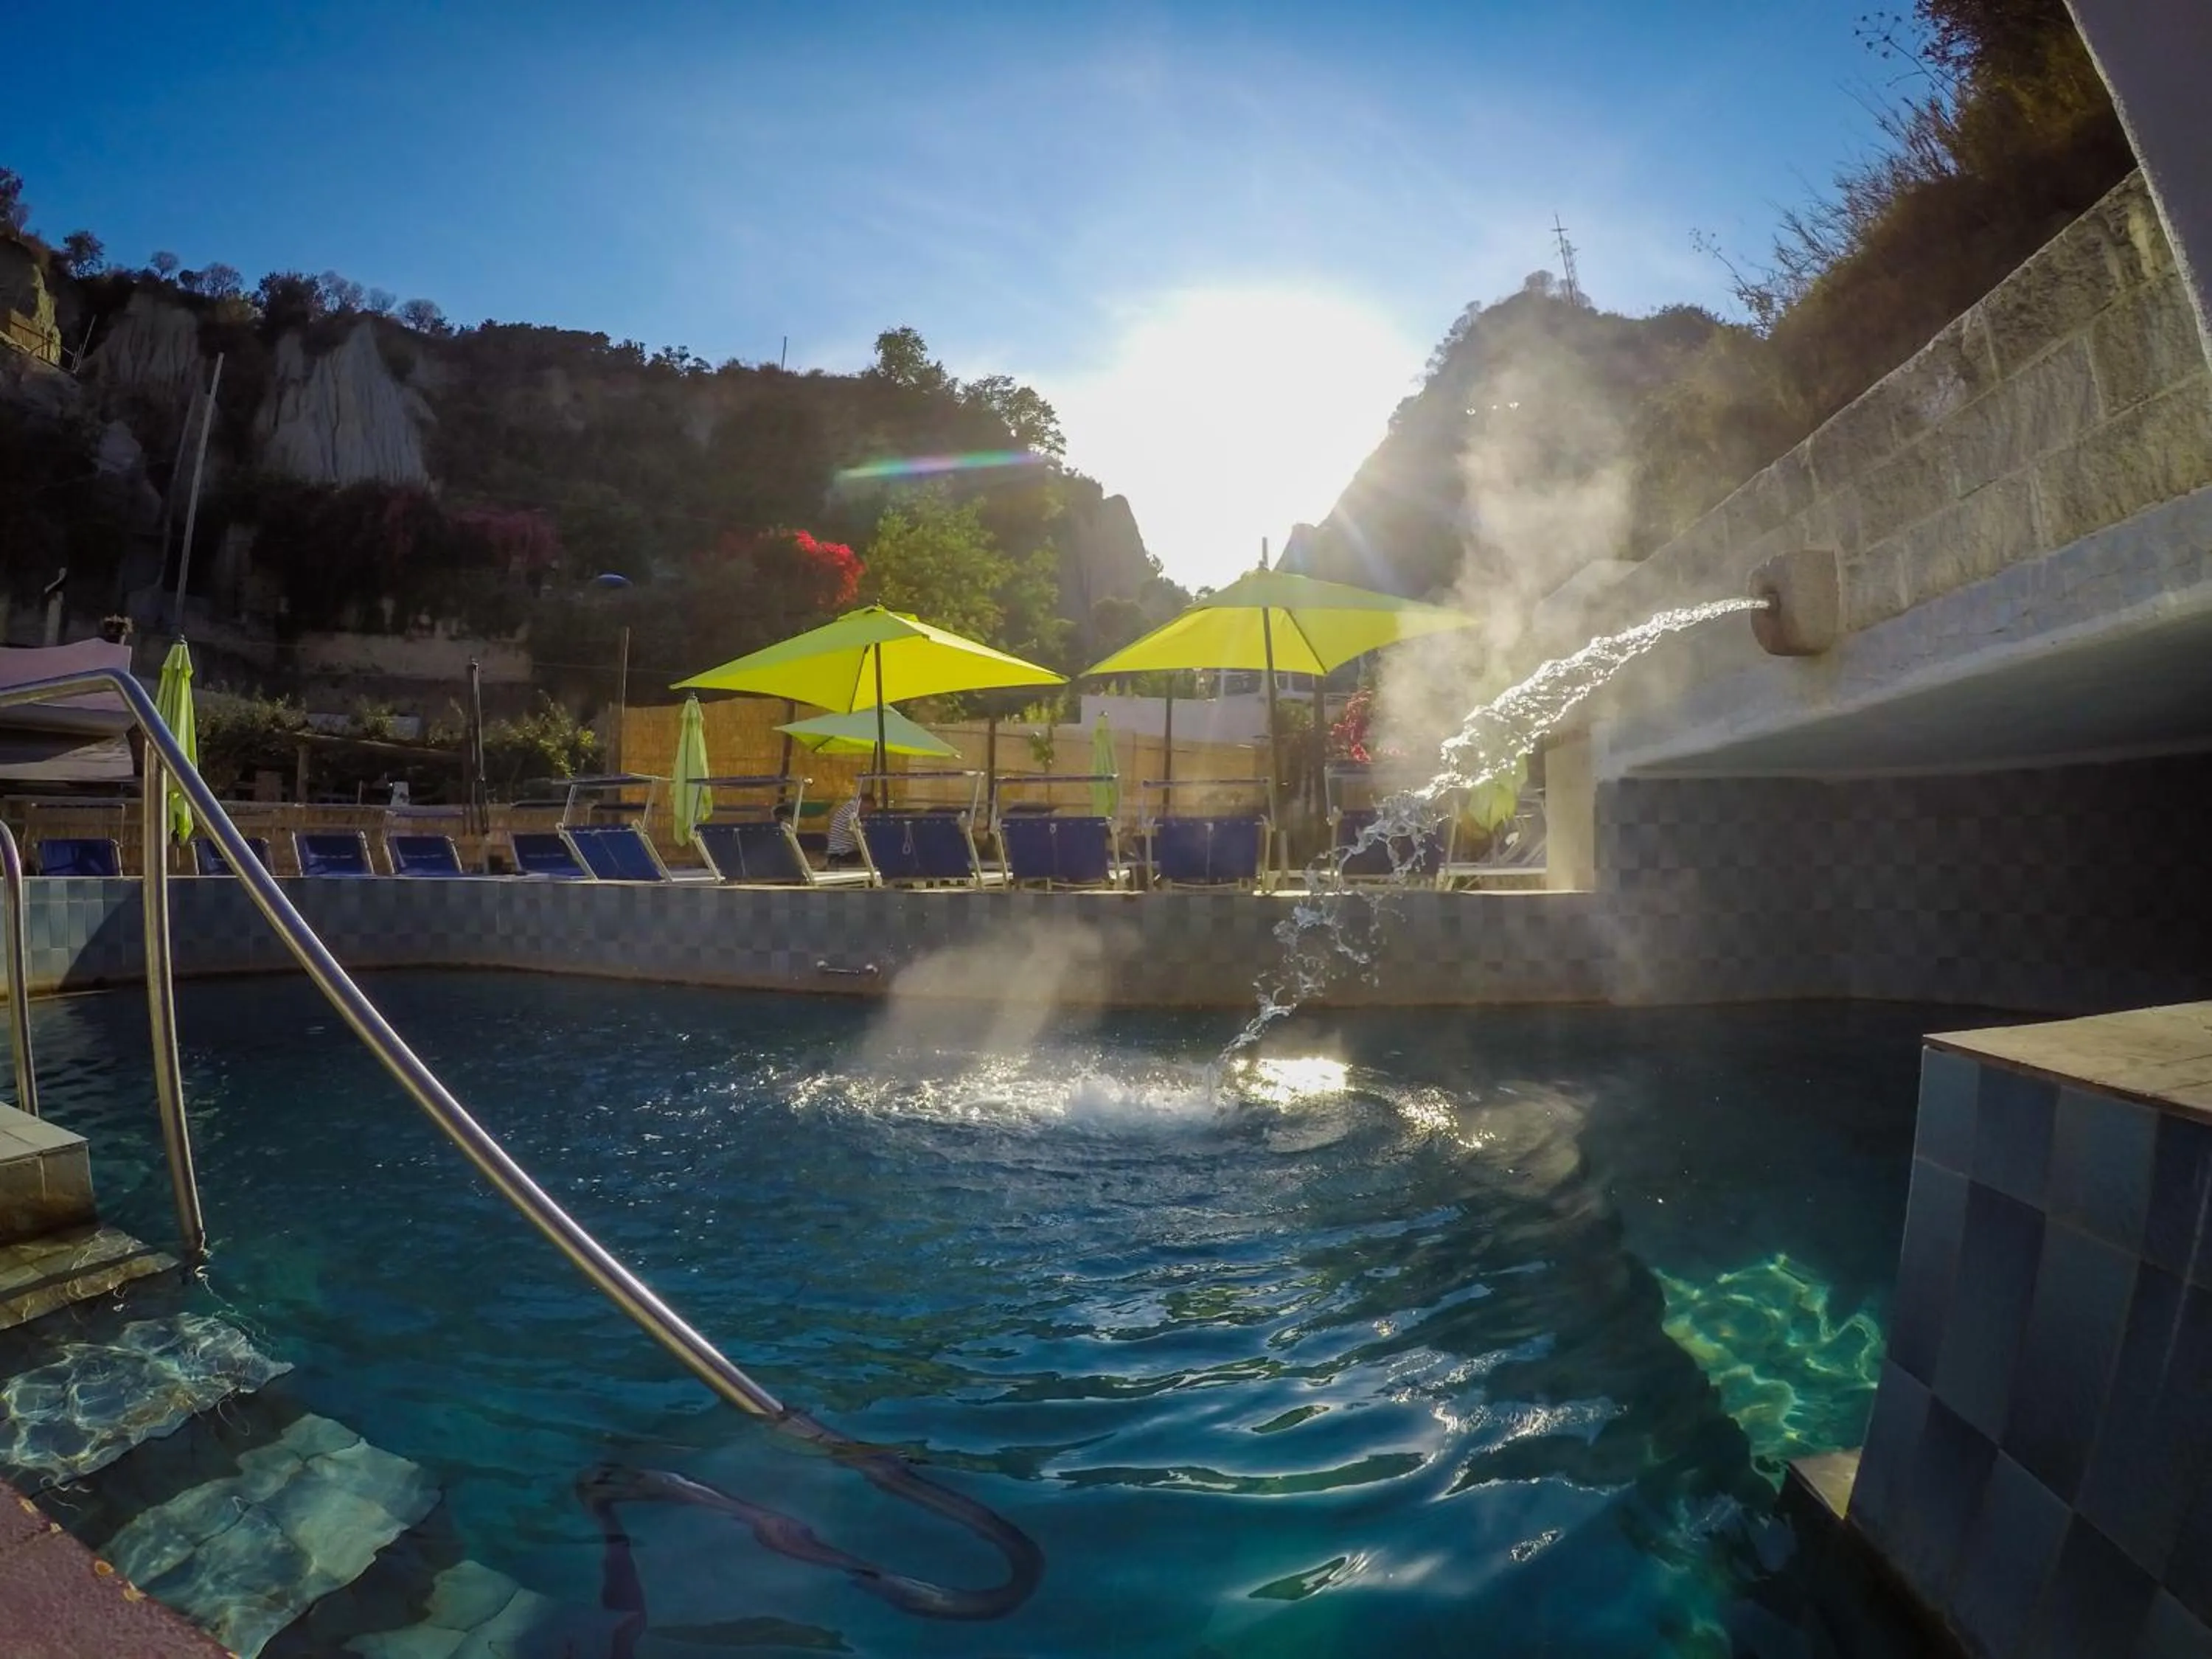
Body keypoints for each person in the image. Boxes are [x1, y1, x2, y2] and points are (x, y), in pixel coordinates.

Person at [826, 787, 874, 867]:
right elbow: (861, 836)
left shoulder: (849, 807)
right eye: (867, 809)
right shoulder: (853, 812)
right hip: (844, 853)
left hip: (835, 852)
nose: (867, 813)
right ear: (862, 803)